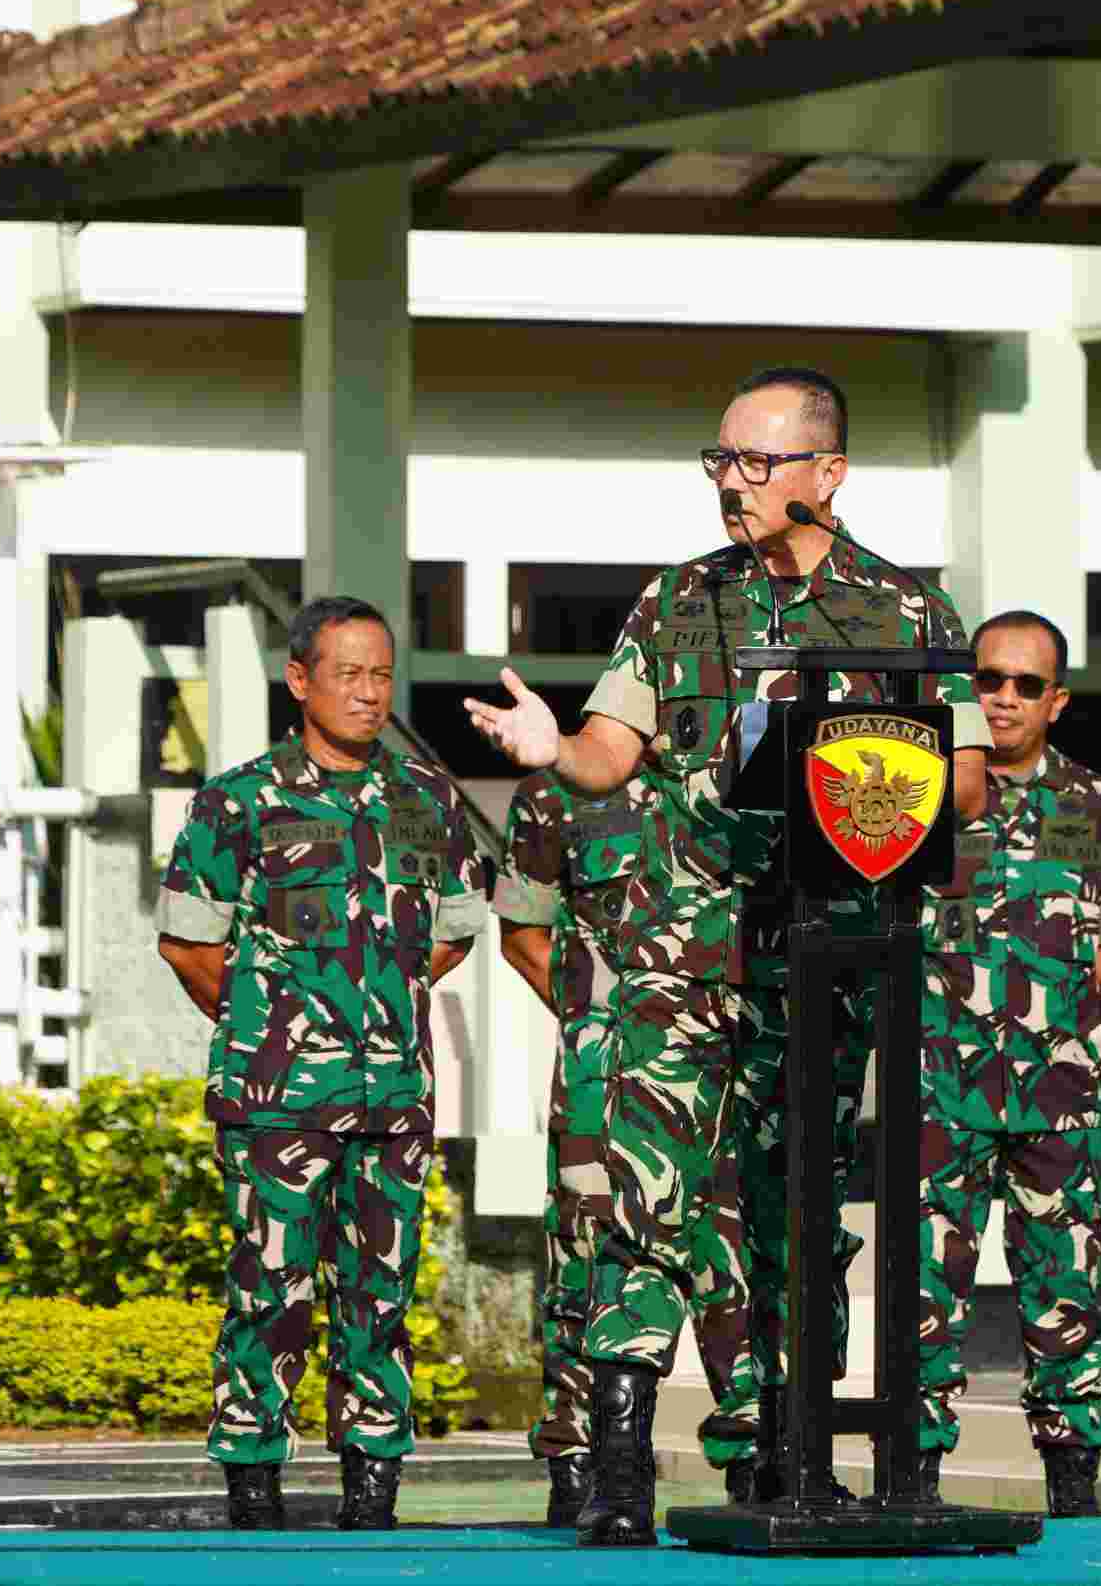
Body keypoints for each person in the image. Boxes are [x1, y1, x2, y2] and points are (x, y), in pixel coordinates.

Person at [467, 365, 990, 1544]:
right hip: (680, 959)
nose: (730, 483)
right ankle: (618, 1463)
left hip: (823, 963)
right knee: (643, 1201)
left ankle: (791, 1455)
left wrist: (862, 777)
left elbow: (960, 783)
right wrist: (553, 747)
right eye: (719, 460)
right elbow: (609, 750)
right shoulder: (678, 599)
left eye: (755, 461)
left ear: (827, 473)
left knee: (794, 1218)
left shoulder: (906, 613)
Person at [155, 596, 487, 1532]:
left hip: (393, 1102)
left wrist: (376, 1008)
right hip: (277, 1104)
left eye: (381, 675)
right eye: (348, 674)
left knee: (380, 1297)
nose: (368, 693)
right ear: (299, 680)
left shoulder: (428, 801)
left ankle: (372, 1481)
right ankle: (253, 1477)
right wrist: (273, 1022)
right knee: (269, 1294)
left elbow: (453, 934)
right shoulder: (238, 802)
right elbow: (190, 945)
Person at [916, 610, 1101, 1517]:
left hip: (1059, 1093)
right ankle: (916, 1471)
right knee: (924, 1288)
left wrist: (1046, 1015)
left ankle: (1072, 1475)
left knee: (1065, 1286)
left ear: (1056, 701)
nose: (1004, 698)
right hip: (940, 1090)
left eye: (1026, 684)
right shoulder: (914, 791)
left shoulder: (1096, 804)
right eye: (988, 681)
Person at [494, 772, 754, 1526]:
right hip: (604, 1079)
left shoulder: (748, 777)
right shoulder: (556, 794)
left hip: (737, 1072)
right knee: (590, 1252)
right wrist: (606, 1023)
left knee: (741, 1255)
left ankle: (758, 1458)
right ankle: (587, 1463)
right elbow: (523, 934)